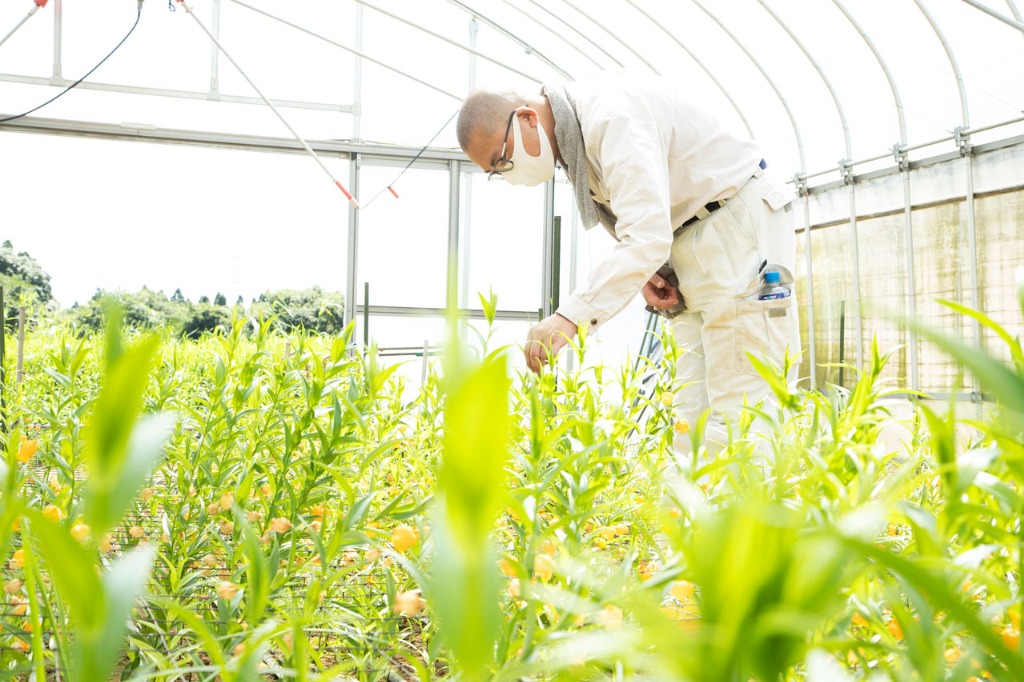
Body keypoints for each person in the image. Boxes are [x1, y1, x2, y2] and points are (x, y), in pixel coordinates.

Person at [456, 70, 800, 452]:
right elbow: (645, 221)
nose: (506, 174)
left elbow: (646, 235)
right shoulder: (577, 139)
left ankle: (752, 512)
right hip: (692, 242)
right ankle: (692, 511)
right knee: (692, 420)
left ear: (526, 118)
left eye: (502, 160)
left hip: (736, 229)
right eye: (495, 173)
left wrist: (570, 317)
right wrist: (649, 270)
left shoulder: (610, 118)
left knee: (743, 412)